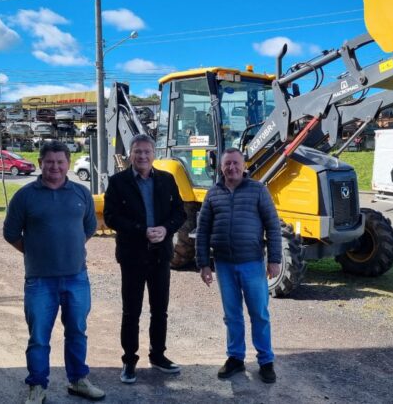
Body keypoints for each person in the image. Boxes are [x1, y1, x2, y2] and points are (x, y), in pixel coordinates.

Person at [3, 140, 105, 403]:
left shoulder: (81, 193)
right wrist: (35, 251)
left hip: (77, 278)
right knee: (38, 337)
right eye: (50, 162)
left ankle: (78, 380)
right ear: (40, 163)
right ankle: (37, 386)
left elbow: (89, 227)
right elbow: (11, 233)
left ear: (68, 164)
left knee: (77, 332)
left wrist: (69, 247)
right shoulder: (25, 196)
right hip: (39, 281)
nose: (55, 167)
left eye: (61, 162)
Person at [103, 133, 186, 384]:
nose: (142, 156)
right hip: (132, 256)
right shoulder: (118, 182)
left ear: (154, 154)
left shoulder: (167, 180)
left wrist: (166, 229)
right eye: (137, 152)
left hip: (161, 256)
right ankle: (129, 361)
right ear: (131, 154)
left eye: (147, 152)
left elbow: (179, 213)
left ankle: (158, 356)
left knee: (160, 310)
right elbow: (111, 217)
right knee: (132, 311)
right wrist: (142, 230)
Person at [196, 147, 281, 384]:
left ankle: (265, 361)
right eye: (227, 164)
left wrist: (274, 259)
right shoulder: (213, 194)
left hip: (252, 263)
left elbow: (273, 225)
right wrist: (203, 264)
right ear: (221, 167)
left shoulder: (258, 191)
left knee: (259, 314)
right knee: (232, 315)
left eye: (236, 163)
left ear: (243, 166)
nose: (231, 168)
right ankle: (235, 358)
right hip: (223, 265)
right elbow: (202, 231)